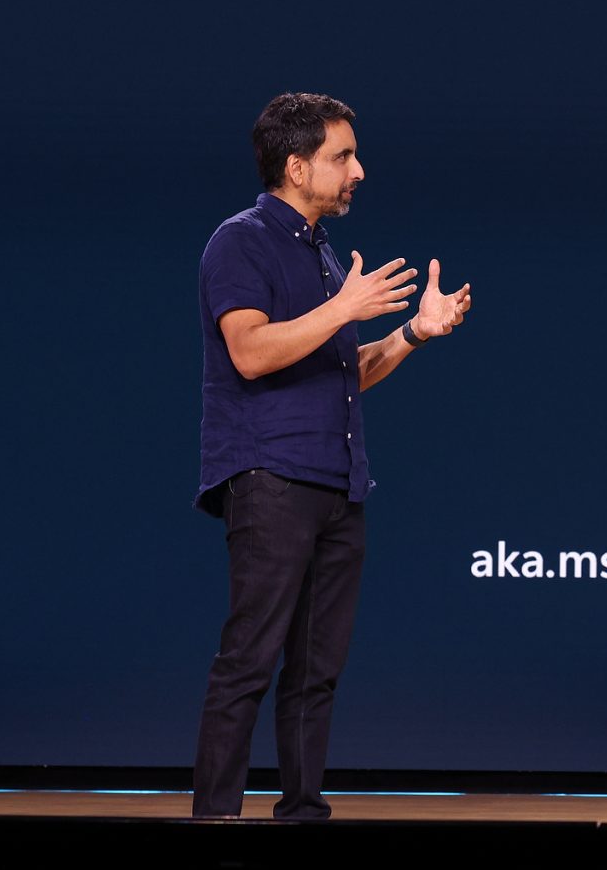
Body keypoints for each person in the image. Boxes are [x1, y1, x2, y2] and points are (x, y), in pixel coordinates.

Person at [191, 92, 471, 820]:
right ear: (295, 166)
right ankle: (213, 825)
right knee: (249, 661)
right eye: (343, 156)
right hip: (272, 479)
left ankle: (303, 818)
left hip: (338, 487)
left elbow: (345, 371)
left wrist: (412, 334)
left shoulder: (321, 255)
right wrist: (343, 310)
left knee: (316, 672)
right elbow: (250, 352)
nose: (360, 171)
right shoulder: (240, 241)